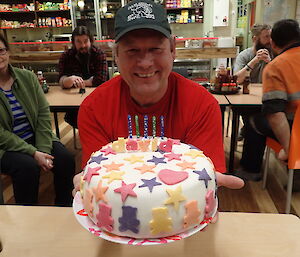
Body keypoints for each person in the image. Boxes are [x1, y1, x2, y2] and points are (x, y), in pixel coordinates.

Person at [73, 0, 243, 195]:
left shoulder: (202, 106)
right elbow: (99, 180)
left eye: (155, 49)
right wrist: (88, 185)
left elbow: (202, 183)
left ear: (172, 49)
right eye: (132, 50)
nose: (145, 63)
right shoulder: (94, 108)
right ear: (116, 55)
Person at [0, 35, 75, 206]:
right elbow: (1, 135)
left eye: (1, 50)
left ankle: (64, 207)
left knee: (65, 160)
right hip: (5, 147)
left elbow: (42, 114)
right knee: (27, 167)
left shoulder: (27, 77)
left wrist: (42, 150)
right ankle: (27, 216)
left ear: (8, 52)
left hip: (34, 137)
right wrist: (33, 153)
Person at [236, 19, 300, 186]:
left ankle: (251, 170)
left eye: (269, 37)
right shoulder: (246, 55)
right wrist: (255, 61)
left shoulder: (278, 63)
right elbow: (236, 79)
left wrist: (291, 150)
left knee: (255, 121)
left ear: (274, 41)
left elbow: (275, 114)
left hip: (295, 125)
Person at [58, 26, 108, 128]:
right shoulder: (66, 56)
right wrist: (65, 81)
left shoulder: (99, 54)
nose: (83, 45)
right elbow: (60, 78)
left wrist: (76, 83)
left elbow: (101, 79)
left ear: (91, 40)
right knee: (75, 117)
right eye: (79, 42)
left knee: (98, 117)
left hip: (97, 100)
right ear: (73, 42)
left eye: (86, 41)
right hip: (73, 102)